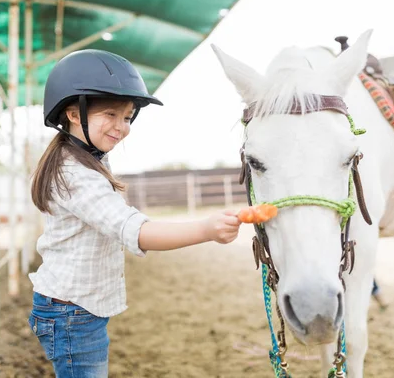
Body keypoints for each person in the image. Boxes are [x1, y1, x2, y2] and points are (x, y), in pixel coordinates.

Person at [27, 49, 241, 377]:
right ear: (73, 113)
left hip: (74, 307)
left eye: (127, 117)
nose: (121, 127)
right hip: (72, 313)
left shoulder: (89, 158)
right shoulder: (74, 173)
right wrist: (205, 229)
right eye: (110, 114)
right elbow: (134, 230)